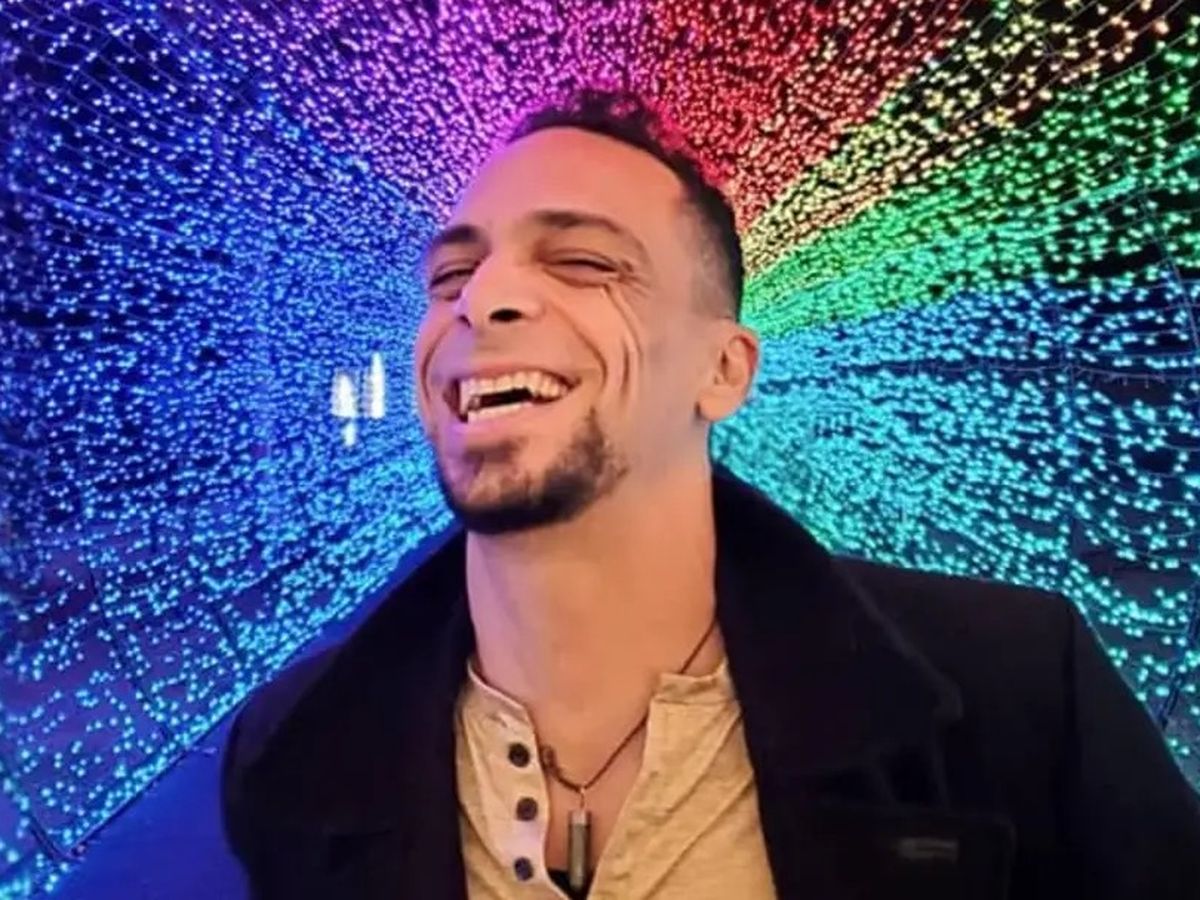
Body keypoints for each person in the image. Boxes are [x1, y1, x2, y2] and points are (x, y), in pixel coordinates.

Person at [220, 88, 1200, 899]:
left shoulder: (1017, 694)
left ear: (724, 371)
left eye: (584, 262)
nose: (483, 299)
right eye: (452, 274)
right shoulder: (293, 754)